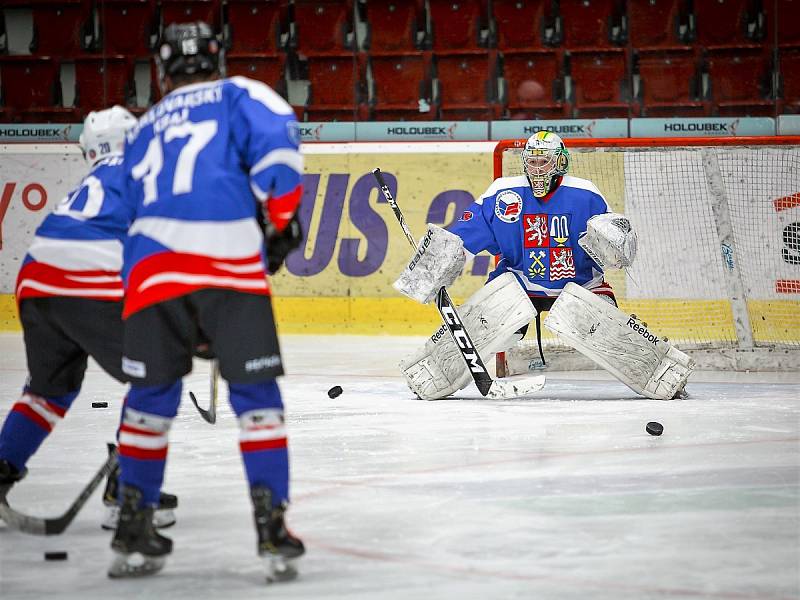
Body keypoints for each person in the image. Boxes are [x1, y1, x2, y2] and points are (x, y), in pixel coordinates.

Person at [109, 21, 305, 581]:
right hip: (225, 262)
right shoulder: (239, 93)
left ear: (164, 69)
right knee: (256, 395)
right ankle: (271, 527)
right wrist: (281, 226)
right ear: (217, 57)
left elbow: (125, 210)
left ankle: (133, 521)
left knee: (149, 399)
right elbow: (279, 165)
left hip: (150, 273)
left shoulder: (144, 128)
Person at [393, 131, 693, 401]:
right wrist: (434, 265)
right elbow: (464, 235)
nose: (537, 169)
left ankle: (663, 374)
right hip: (520, 282)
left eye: (544, 162)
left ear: (560, 162)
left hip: (580, 283)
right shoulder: (503, 193)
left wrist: (615, 242)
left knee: (605, 332)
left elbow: (613, 247)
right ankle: (430, 374)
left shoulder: (585, 193)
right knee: (485, 323)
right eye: (532, 163)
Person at [0, 107, 176, 530]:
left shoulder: (91, 180)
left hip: (35, 277)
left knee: (48, 391)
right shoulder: (146, 171)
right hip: (90, 279)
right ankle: (129, 492)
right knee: (155, 378)